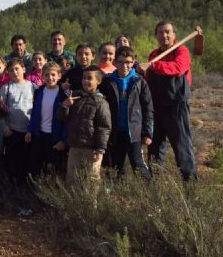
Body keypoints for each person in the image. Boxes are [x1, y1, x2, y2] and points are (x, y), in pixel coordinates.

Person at [145, 20, 196, 181]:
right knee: (154, 150)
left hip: (176, 107)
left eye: (167, 32)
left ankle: (191, 189)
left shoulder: (181, 51)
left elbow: (178, 68)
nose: (164, 35)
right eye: (160, 32)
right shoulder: (153, 55)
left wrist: (153, 66)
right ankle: (156, 187)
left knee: (182, 149)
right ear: (156, 36)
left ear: (174, 34)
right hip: (156, 108)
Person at [99, 47, 153, 180]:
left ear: (133, 61)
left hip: (134, 132)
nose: (125, 65)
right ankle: (118, 195)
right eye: (121, 62)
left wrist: (147, 132)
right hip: (115, 131)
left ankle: (150, 192)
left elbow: (148, 108)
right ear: (115, 63)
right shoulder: (107, 82)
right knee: (116, 166)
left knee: (138, 164)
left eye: (128, 62)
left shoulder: (139, 81)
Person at [58, 66, 112, 184]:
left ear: (98, 81)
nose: (85, 81)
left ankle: (91, 203)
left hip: (92, 149)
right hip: (75, 146)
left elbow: (104, 127)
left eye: (89, 78)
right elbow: (62, 118)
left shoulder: (101, 102)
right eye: (83, 78)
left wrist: (100, 149)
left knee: (91, 180)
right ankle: (73, 202)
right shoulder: (75, 97)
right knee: (71, 179)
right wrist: (65, 105)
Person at [0, 58, 36, 212]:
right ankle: (14, 198)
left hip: (28, 133)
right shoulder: (5, 89)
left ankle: (28, 197)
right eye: (11, 70)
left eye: (17, 69)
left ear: (23, 69)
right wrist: (5, 128)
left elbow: (36, 110)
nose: (14, 72)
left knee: (27, 165)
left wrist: (31, 130)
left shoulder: (33, 87)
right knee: (13, 166)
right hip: (12, 132)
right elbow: (0, 112)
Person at [25, 62, 67, 177]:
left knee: (52, 167)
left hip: (54, 137)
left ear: (59, 75)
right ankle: (33, 189)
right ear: (42, 76)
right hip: (39, 134)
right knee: (35, 164)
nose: (50, 78)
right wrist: (29, 130)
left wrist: (63, 140)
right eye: (47, 75)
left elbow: (66, 121)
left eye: (53, 75)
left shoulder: (63, 95)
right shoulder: (39, 91)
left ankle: (49, 191)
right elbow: (34, 113)